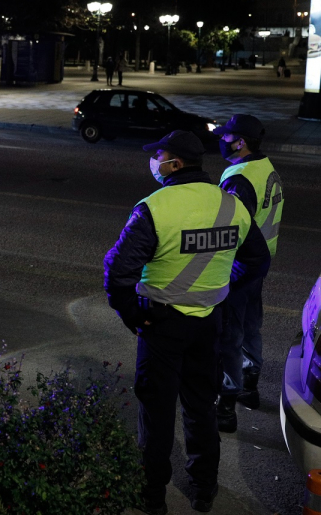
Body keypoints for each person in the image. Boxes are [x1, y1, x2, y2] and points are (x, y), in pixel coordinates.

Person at [104, 130, 270, 515]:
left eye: (158, 155)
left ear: (175, 164)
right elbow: (257, 260)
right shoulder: (231, 205)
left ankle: (153, 496)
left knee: (157, 413)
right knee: (201, 407)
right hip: (209, 325)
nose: (154, 162)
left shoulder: (155, 208)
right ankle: (203, 490)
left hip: (161, 325)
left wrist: (137, 318)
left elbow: (117, 272)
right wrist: (221, 291)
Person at [213, 114, 283, 432]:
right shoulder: (265, 168)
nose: (221, 141)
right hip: (259, 265)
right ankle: (249, 388)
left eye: (226, 137)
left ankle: (226, 406)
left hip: (239, 267)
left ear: (240, 142)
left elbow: (231, 228)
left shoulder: (240, 178)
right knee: (251, 328)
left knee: (230, 335)